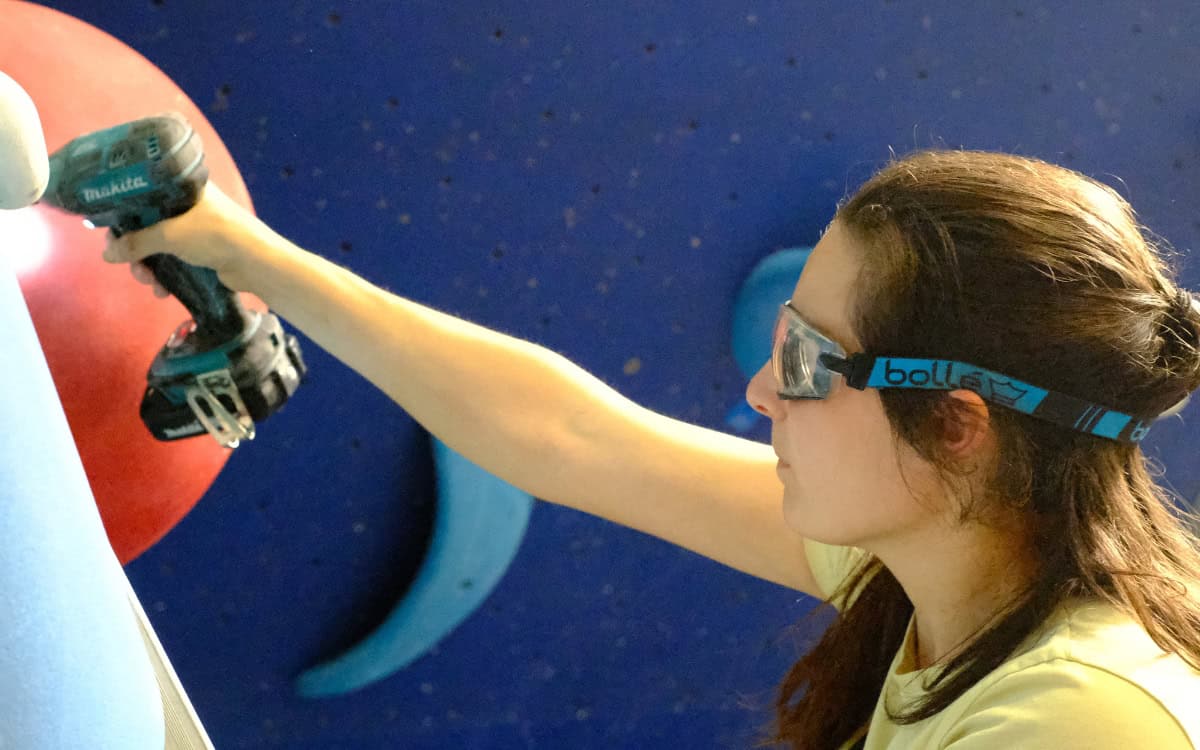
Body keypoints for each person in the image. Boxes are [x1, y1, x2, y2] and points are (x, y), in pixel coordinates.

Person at [104, 148, 1200, 749]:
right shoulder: (943, 563)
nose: (761, 391)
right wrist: (246, 253)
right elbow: (573, 436)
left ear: (956, 426)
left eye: (808, 360)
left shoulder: (1083, 719)